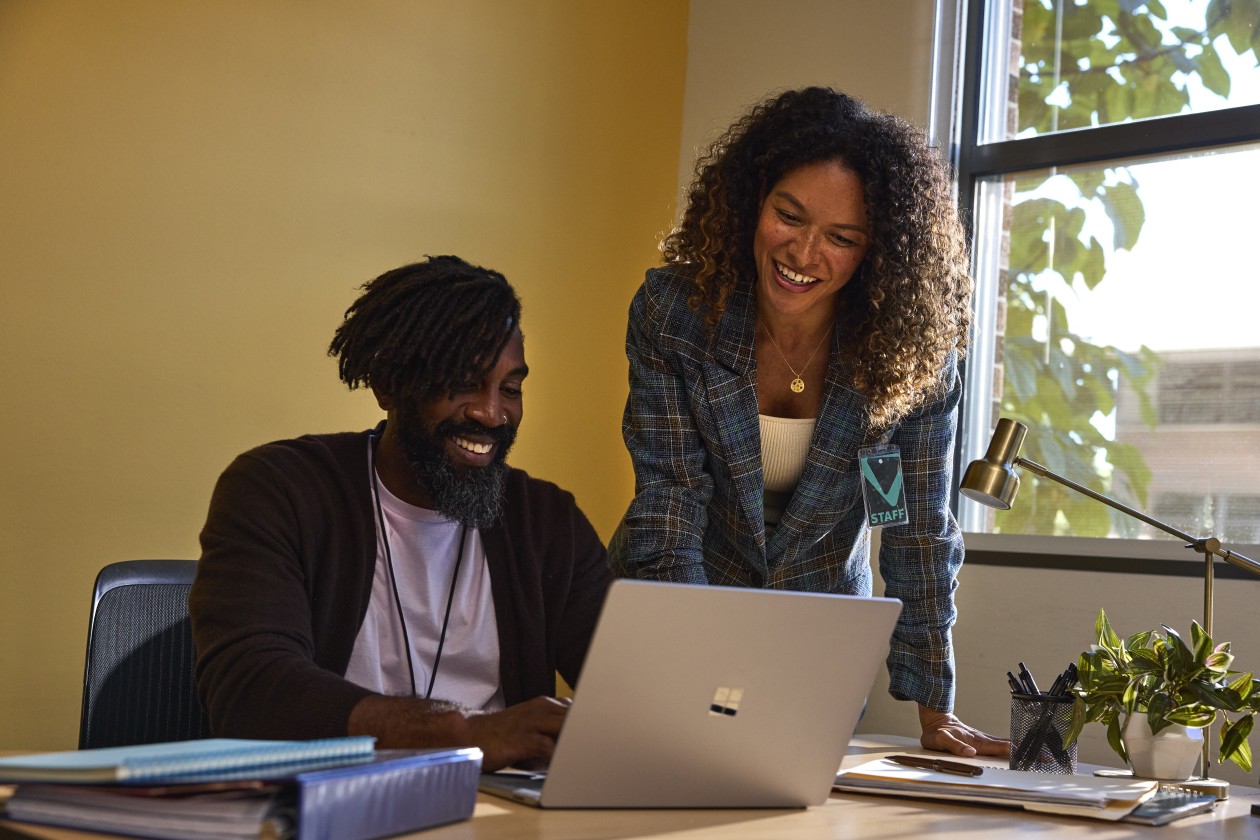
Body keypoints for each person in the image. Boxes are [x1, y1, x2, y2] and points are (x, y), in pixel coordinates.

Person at [609, 87, 1007, 758]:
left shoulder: (905, 360)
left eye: (842, 239)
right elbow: (671, 503)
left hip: (815, 639)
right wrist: (689, 667)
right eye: (788, 216)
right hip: (676, 604)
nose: (803, 252)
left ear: (878, 253)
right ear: (752, 201)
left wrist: (934, 707)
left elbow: (910, 525)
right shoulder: (677, 314)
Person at [191, 255, 612, 771]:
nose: (490, 413)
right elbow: (251, 693)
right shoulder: (280, 489)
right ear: (388, 384)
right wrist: (465, 733)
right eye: (463, 381)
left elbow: (629, 691)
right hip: (331, 795)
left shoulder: (547, 521)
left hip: (500, 808)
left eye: (510, 389)